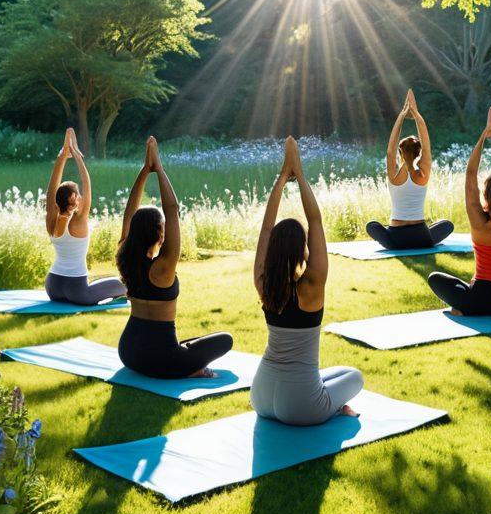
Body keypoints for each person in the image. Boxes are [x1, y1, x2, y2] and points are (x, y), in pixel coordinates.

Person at [251, 136, 363, 425]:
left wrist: (281, 177)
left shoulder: (264, 285)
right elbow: (315, 220)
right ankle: (336, 408)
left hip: (261, 396)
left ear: (274, 249)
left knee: (332, 373)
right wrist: (299, 175)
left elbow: (266, 227)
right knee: (354, 376)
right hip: (301, 406)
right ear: (304, 249)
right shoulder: (312, 285)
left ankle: (327, 400)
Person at [116, 137, 232, 379]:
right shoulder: (163, 268)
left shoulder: (126, 260)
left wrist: (145, 170)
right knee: (224, 340)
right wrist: (158, 169)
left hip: (128, 352)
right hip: (162, 361)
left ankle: (185, 359)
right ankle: (191, 370)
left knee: (192, 342)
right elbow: (172, 210)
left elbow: (130, 209)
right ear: (160, 233)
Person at [428, 106, 491, 316]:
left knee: (435, 278)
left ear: (486, 196)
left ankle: (467, 308)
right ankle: (469, 305)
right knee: (464, 286)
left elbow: (470, 174)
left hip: (484, 298)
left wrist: (484, 135)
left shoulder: (479, 223)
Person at [44, 128, 126, 306]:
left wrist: (63, 157)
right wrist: (76, 155)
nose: (81, 196)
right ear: (73, 202)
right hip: (78, 291)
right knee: (124, 284)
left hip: (53, 287)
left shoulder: (51, 218)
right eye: (77, 195)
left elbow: (51, 189)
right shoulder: (79, 220)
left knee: (102, 282)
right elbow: (87, 182)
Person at [366, 88, 454, 251]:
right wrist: (416, 115)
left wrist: (401, 115)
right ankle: (422, 242)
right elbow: (427, 146)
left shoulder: (394, 176)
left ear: (400, 152)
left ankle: (394, 242)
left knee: (371, 226)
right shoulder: (423, 174)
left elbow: (390, 150)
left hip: (396, 238)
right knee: (447, 225)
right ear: (419, 152)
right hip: (420, 236)